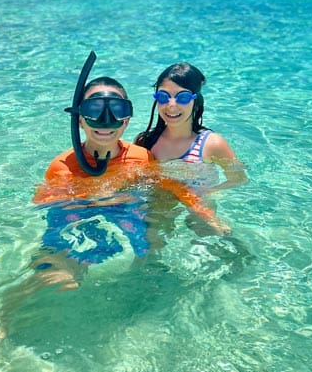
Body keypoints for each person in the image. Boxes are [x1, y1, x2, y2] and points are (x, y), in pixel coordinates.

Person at [29, 54, 227, 291]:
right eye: (94, 111)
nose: (105, 121)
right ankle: (7, 311)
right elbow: (47, 209)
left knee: (152, 246)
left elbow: (170, 184)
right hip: (78, 210)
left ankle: (139, 289)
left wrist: (203, 211)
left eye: (116, 111)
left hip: (123, 207)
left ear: (126, 120)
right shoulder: (62, 166)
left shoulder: (141, 155)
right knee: (59, 270)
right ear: (80, 119)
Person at [135, 62, 248, 193]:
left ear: (195, 100)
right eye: (163, 96)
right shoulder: (146, 141)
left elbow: (239, 179)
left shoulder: (212, 144)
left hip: (198, 210)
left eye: (183, 97)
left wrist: (208, 193)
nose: (171, 105)